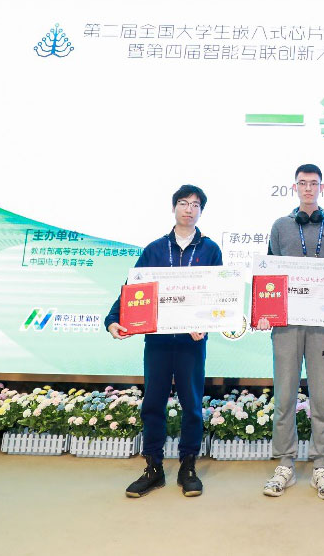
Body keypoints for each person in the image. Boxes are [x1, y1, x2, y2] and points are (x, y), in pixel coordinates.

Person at [104, 184, 222, 499]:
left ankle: (188, 466)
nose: (189, 209)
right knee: (153, 403)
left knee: (192, 405)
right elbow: (133, 290)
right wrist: (113, 318)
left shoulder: (211, 250)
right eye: (183, 203)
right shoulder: (154, 249)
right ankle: (153, 467)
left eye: (195, 205)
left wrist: (206, 324)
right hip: (157, 342)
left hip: (191, 343)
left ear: (201, 211)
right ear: (173, 208)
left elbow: (217, 295)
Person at [259, 163, 324, 500]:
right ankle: (285, 464)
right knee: (284, 395)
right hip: (286, 325)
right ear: (294, 187)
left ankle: (321, 465)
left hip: (323, 326)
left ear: (321, 188)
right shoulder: (280, 226)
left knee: (322, 396)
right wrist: (265, 313)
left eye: (313, 183)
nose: (308, 188)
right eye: (302, 183)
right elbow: (268, 274)